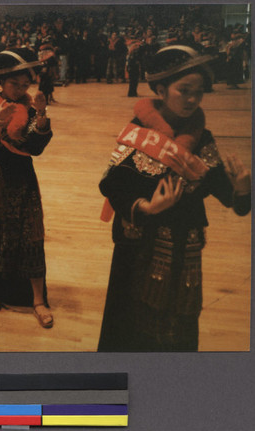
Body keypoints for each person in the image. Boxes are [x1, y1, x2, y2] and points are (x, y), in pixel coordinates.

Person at [97, 46, 251, 352]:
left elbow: (231, 198)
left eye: (199, 92)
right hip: (139, 248)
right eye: (184, 90)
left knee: (178, 328)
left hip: (184, 249)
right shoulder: (138, 134)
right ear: (161, 89)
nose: (193, 99)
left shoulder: (202, 139)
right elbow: (113, 186)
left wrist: (243, 188)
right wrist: (147, 207)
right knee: (131, 328)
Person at [0, 48, 54, 328]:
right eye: (15, 84)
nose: (21, 89)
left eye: (26, 84)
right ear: (1, 82)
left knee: (32, 235)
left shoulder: (29, 108)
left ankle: (38, 301)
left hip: (23, 179)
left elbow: (35, 148)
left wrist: (40, 116)